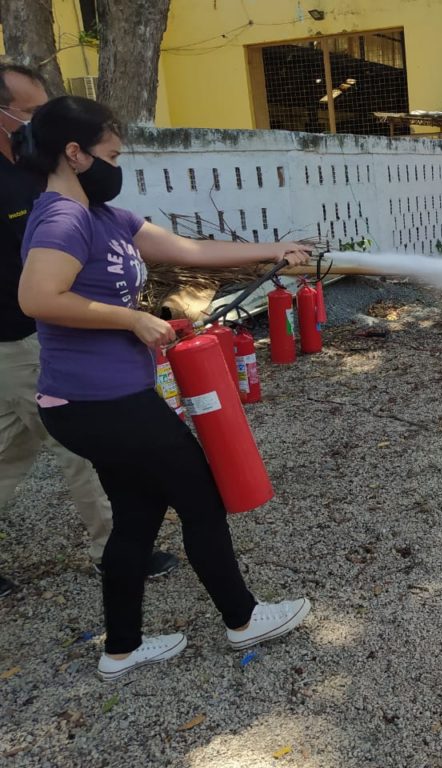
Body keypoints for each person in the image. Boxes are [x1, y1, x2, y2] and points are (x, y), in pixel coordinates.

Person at [16, 95, 312, 680]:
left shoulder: (106, 218)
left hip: (105, 400)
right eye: (110, 154)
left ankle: (121, 648)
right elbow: (38, 298)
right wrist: (131, 319)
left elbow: (192, 250)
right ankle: (243, 618)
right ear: (73, 154)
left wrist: (274, 250)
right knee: (200, 499)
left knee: (136, 514)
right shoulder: (62, 218)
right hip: (97, 402)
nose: (116, 166)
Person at [0, 62, 177, 596]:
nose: (40, 119)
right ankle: (117, 549)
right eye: (30, 111)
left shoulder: (37, 171)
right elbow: (40, 289)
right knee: (79, 445)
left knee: (13, 448)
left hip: (45, 334)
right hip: (20, 338)